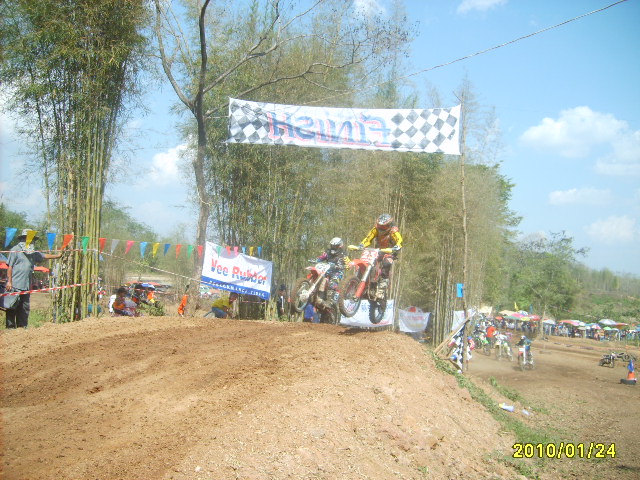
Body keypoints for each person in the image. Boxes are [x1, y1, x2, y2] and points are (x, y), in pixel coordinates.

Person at [5, 229, 63, 329]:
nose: (31, 242)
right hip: (14, 285)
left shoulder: (32, 252)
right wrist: (9, 282)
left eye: (32, 240)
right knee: (11, 306)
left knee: (24, 307)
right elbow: (9, 266)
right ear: (23, 239)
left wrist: (57, 256)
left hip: (26, 286)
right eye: (29, 239)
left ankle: (22, 327)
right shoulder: (15, 250)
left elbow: (43, 256)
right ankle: (10, 328)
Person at [358, 214, 403, 299]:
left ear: (389, 224)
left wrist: (397, 246)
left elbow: (399, 240)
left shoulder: (393, 231)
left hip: (390, 251)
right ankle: (361, 282)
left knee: (386, 263)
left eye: (383, 226)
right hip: (378, 251)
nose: (381, 227)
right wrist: (362, 245)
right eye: (380, 225)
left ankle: (381, 288)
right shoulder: (376, 229)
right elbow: (368, 238)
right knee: (367, 261)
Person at [315, 237, 349, 308]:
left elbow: (348, 264)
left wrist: (344, 266)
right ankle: (317, 296)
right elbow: (321, 257)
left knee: (332, 285)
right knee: (318, 279)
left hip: (337, 272)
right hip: (326, 271)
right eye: (332, 246)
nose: (333, 247)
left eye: (335, 246)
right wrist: (316, 260)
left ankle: (331, 301)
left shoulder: (343, 254)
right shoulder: (328, 252)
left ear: (339, 246)